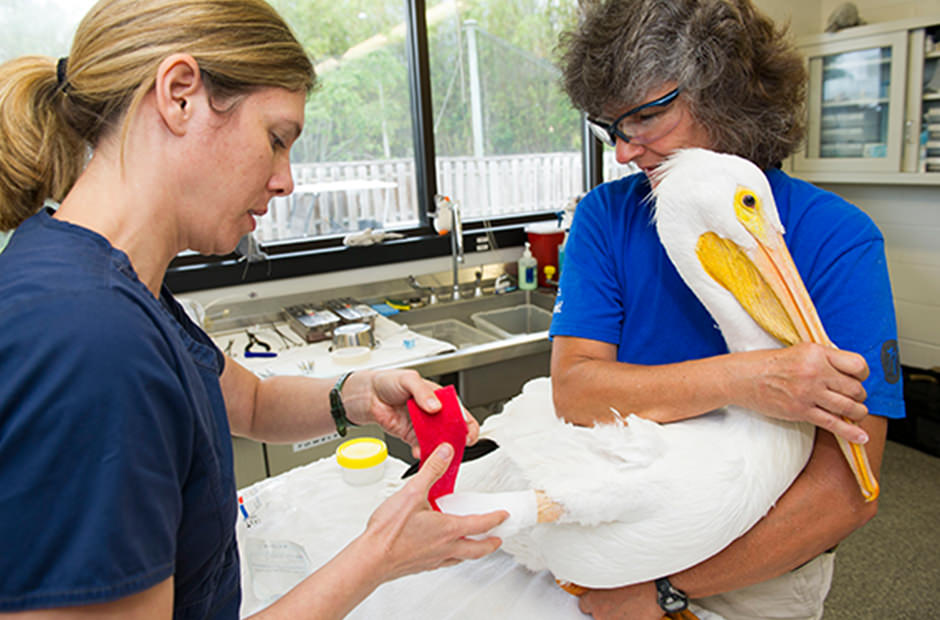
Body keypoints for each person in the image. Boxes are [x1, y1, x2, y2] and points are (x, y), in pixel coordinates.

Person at [0, 0, 508, 618]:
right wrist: (380, 556)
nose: (286, 181)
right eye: (275, 139)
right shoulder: (90, 334)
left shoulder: (115, 281)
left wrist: (360, 394)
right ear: (180, 94)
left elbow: (249, 402)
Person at [550, 1, 904, 619]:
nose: (625, 153)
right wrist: (746, 380)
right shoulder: (607, 218)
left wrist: (667, 590)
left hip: (761, 569)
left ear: (724, 95)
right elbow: (576, 391)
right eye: (612, 127)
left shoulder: (835, 237)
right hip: (624, 546)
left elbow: (847, 490)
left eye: (647, 117)